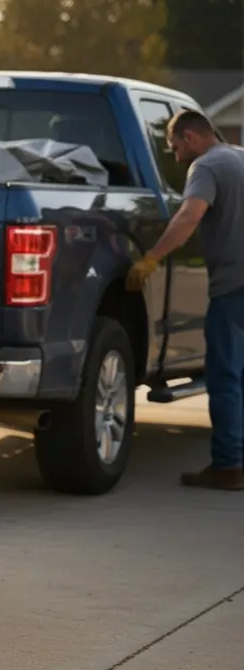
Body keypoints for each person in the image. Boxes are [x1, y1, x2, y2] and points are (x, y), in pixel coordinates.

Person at [127, 109, 244, 490]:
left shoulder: (207, 167)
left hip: (233, 287)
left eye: (174, 145)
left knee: (225, 376)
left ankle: (228, 466)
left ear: (191, 138)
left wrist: (151, 258)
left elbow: (189, 215)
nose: (174, 154)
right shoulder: (239, 157)